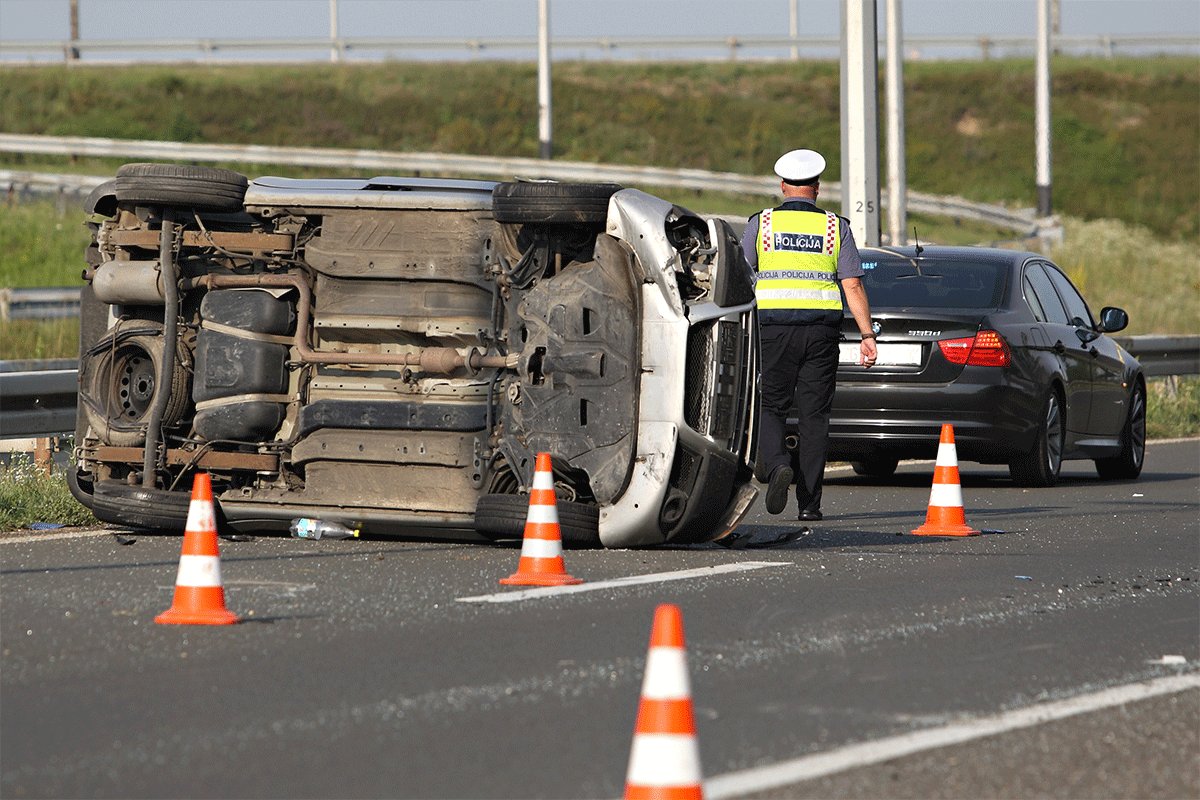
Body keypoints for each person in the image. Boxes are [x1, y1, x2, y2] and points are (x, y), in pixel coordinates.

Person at [742, 148, 878, 520]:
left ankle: (776, 462)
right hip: (821, 332)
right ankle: (810, 505)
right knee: (814, 417)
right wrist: (867, 335)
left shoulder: (762, 224)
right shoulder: (836, 227)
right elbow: (852, 286)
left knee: (771, 405)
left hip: (773, 329)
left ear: (783, 186)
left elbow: (741, 277)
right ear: (817, 188)